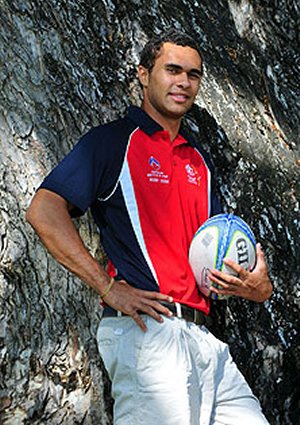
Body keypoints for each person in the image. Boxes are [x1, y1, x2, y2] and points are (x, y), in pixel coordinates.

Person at [26, 29, 273, 425]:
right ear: (144, 74)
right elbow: (44, 210)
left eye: (193, 75)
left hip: (204, 339)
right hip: (147, 337)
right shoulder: (112, 142)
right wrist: (109, 288)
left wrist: (257, 288)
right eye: (172, 69)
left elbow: (214, 254)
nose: (183, 82)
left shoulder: (199, 162)